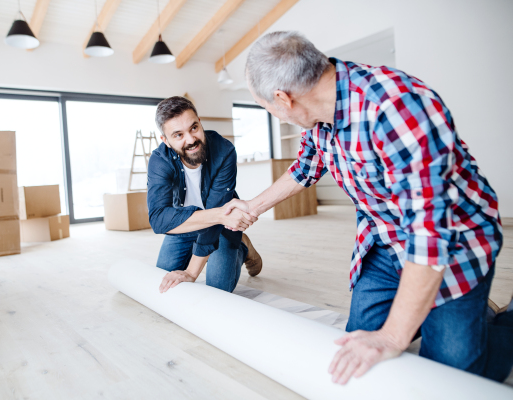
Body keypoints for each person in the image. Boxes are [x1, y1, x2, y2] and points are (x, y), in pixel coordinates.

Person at [225, 31, 513, 384]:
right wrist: (252, 207)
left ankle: (496, 321)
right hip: (383, 237)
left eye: (267, 108)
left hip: (455, 245)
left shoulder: (397, 107)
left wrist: (392, 338)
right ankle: (458, 314)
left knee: (452, 374)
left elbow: (430, 235)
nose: (275, 117)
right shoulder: (318, 115)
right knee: (353, 349)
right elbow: (305, 168)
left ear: (284, 99)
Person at [147, 96, 263, 294]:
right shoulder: (160, 160)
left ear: (200, 122)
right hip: (187, 225)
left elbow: (218, 215)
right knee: (161, 279)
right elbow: (158, 220)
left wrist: (192, 272)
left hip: (222, 226)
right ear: (165, 141)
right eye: (178, 135)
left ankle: (243, 246)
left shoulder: (224, 151)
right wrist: (216, 214)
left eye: (193, 128)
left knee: (217, 289)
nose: (191, 140)